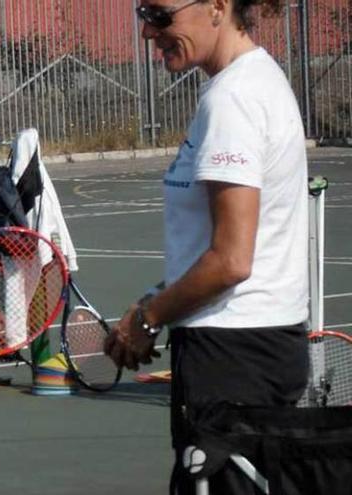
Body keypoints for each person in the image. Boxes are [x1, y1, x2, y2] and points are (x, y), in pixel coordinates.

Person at [104, 0, 309, 493]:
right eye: (142, 14)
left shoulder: (233, 100)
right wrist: (158, 297)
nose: (149, 31)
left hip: (233, 357)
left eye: (160, 14)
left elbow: (231, 260)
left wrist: (150, 318)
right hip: (254, 346)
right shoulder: (253, 82)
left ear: (217, 7)